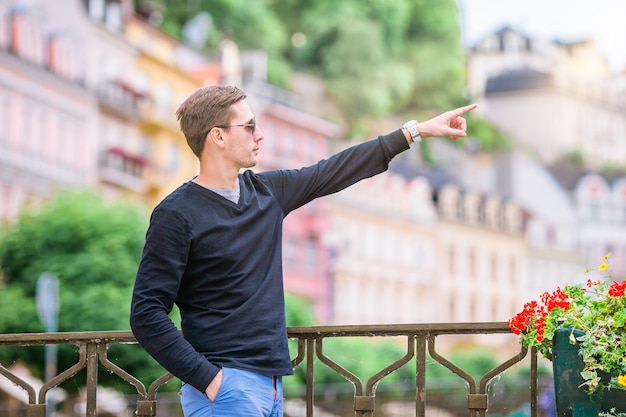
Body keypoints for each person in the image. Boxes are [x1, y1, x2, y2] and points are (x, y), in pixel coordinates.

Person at [130, 85, 476, 417]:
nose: (260, 135)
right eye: (249, 126)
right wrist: (210, 380)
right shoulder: (175, 214)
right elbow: (146, 313)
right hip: (224, 391)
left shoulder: (267, 193)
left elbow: (334, 170)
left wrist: (415, 132)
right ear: (217, 136)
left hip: (272, 386)